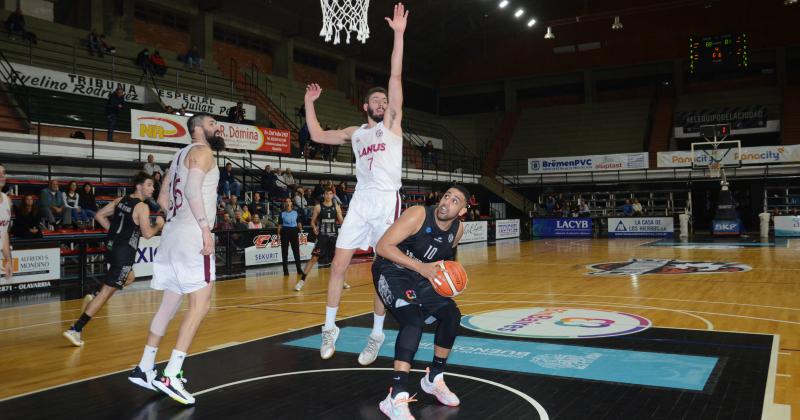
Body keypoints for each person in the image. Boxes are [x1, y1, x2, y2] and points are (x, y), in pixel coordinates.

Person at [304, 2, 409, 365]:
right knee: (337, 264)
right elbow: (317, 135)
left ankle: (377, 334)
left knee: (381, 268)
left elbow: (395, 79)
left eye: (385, 100)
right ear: (365, 106)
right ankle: (329, 327)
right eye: (376, 99)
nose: (382, 102)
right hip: (361, 200)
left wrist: (397, 35)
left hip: (386, 200)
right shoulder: (355, 133)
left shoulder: (392, 125)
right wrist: (309, 102)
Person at [129, 113, 224, 405]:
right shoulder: (203, 152)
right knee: (200, 305)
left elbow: (162, 201)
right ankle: (172, 373)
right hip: (193, 234)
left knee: (170, 304)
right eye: (211, 124)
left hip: (172, 233)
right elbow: (193, 190)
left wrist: (179, 220)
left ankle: (145, 366)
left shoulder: (177, 155)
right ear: (198, 130)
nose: (216, 128)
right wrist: (205, 228)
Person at [373, 185, 468, 418]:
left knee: (452, 315)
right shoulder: (418, 214)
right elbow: (382, 247)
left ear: (463, 211)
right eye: (446, 196)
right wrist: (421, 268)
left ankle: (434, 378)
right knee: (413, 321)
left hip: (420, 276)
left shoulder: (457, 230)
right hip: (391, 270)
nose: (447, 202)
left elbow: (441, 261)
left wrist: (448, 280)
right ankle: (395, 396)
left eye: (455, 201)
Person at [63, 172, 165, 346]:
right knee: (107, 293)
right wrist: (159, 225)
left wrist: (114, 233)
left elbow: (99, 215)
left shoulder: (121, 200)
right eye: (149, 184)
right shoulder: (142, 207)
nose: (153, 188)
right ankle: (76, 328)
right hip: (124, 252)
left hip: (112, 247)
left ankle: (94, 295)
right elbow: (148, 234)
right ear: (139, 186)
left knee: (130, 277)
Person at [295, 187, 343, 291]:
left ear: (332, 195)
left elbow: (342, 222)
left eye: (330, 194)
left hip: (334, 237)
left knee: (337, 261)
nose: (328, 196)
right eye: (326, 193)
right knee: (314, 259)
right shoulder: (318, 207)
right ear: (324, 195)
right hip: (322, 237)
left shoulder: (337, 207)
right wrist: (314, 227)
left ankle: (341, 281)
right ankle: (302, 281)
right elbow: (312, 221)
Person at [278, 198, 303, 276]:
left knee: (296, 251)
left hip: (294, 231)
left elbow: (298, 222)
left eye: (289, 201)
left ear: (291, 203)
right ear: (285, 204)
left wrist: (301, 230)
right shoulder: (282, 213)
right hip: (285, 231)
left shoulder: (296, 212)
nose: (288, 203)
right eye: (286, 201)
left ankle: (299, 269)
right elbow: (279, 225)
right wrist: (278, 234)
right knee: (284, 252)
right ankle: (285, 270)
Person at [0, 164, 12, 282]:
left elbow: (4, 234)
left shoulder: (7, 200)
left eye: (3, 173)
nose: (1, 176)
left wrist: (8, 260)